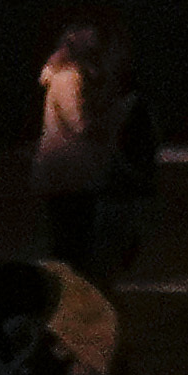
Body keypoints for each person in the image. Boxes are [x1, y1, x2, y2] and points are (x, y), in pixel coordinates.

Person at [29, 15, 127, 282]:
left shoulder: (75, 75)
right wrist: (113, 118)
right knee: (71, 238)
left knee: (70, 235)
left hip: (68, 171)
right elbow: (79, 124)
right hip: (69, 171)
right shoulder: (69, 77)